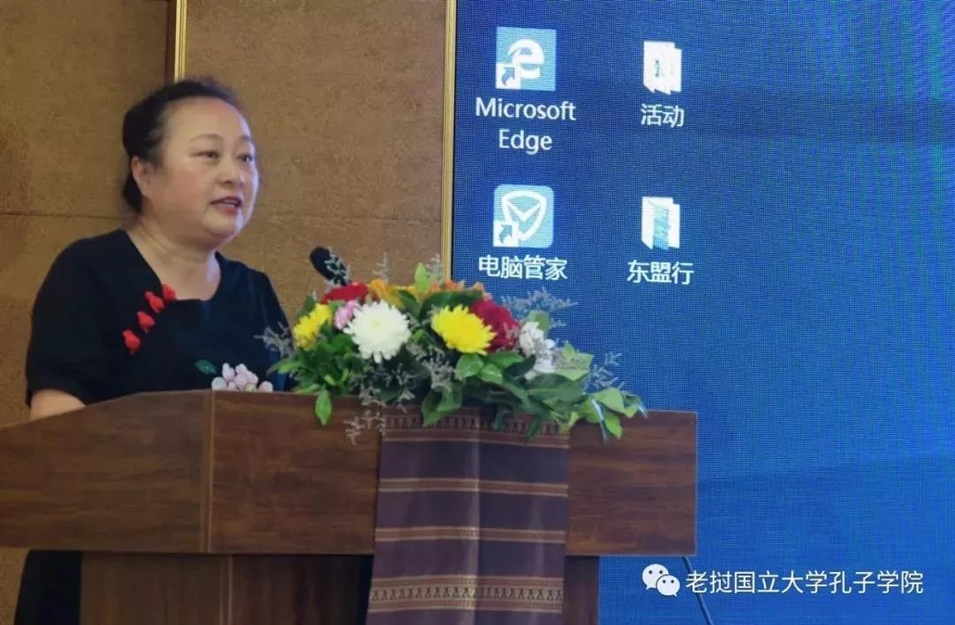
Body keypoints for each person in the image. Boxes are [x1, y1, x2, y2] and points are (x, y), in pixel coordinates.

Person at [15, 78, 290, 625]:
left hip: (241, 585)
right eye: (209, 154)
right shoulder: (90, 272)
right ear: (144, 174)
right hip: (104, 580)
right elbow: (56, 434)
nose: (234, 174)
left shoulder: (255, 292)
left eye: (246, 158)